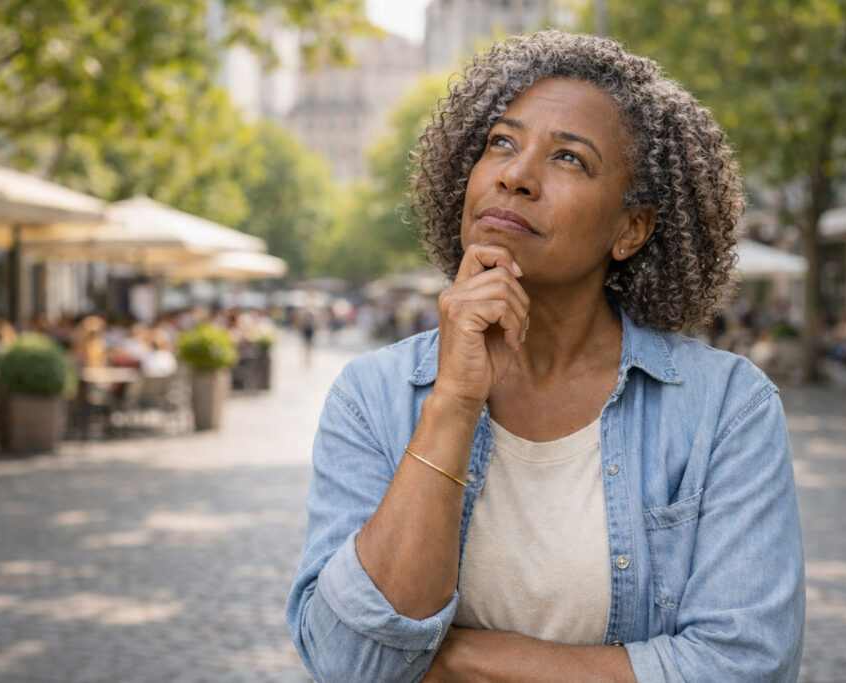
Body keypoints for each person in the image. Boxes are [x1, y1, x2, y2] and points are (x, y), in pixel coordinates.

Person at [287, 31, 804, 683]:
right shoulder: (374, 393)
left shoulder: (726, 407)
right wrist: (452, 401)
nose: (515, 174)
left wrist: (454, 658)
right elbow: (348, 661)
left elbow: (746, 664)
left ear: (631, 228)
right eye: (501, 142)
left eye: (569, 159)